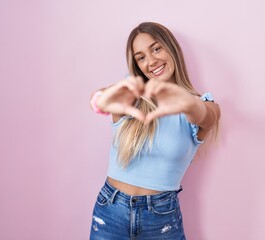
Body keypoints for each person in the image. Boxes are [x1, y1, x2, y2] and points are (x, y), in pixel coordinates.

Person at [89, 22, 220, 240]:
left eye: (156, 49)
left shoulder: (199, 105)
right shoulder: (130, 96)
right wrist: (103, 99)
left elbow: (208, 115)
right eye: (141, 57)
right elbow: (100, 98)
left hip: (161, 218)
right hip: (110, 210)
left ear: (171, 48)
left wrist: (186, 103)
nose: (151, 61)